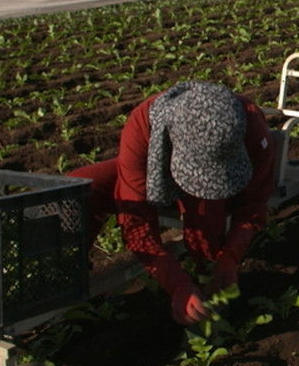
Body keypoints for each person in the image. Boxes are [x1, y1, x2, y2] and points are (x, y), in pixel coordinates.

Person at [70, 80, 276, 325]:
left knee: (206, 216)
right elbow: (136, 219)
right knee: (80, 188)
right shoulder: (144, 124)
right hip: (155, 171)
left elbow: (253, 203)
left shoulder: (251, 123)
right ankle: (70, 279)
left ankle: (208, 284)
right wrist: (176, 284)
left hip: (216, 187)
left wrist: (230, 257)